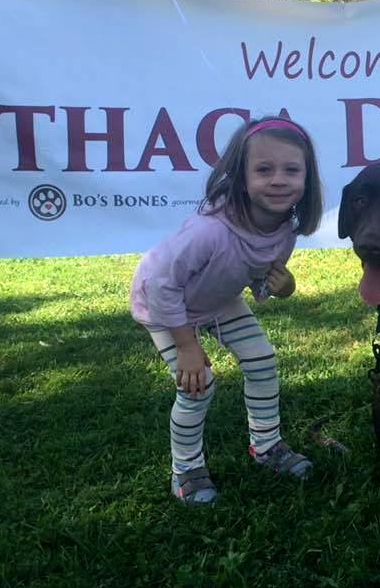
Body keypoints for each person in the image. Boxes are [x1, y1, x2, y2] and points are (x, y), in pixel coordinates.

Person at [130, 116, 323, 504]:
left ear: (308, 178)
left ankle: (266, 446)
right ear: (240, 175)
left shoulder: (285, 229)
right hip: (165, 305)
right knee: (198, 385)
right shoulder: (209, 231)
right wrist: (187, 346)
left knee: (262, 361)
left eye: (292, 170)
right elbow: (161, 284)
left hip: (216, 300)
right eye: (264, 169)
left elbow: (259, 280)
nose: (279, 180)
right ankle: (185, 469)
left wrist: (282, 287)